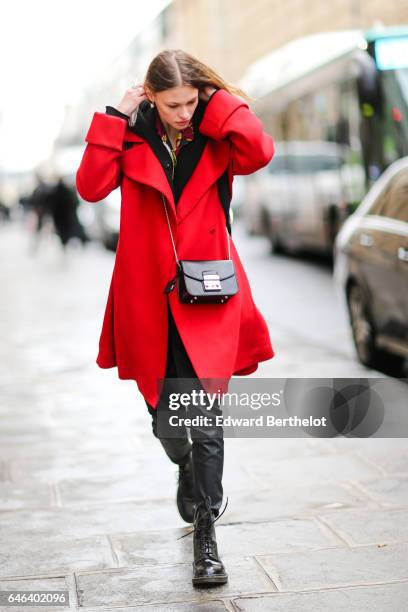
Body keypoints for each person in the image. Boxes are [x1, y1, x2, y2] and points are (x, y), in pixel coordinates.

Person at [76, 48, 275, 587]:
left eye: (192, 100)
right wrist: (115, 117)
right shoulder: (132, 134)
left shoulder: (215, 133)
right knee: (166, 417)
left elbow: (260, 149)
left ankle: (208, 538)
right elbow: (91, 186)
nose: (184, 112)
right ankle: (184, 466)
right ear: (151, 98)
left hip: (207, 292)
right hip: (147, 293)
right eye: (173, 104)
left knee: (205, 413)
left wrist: (221, 101)